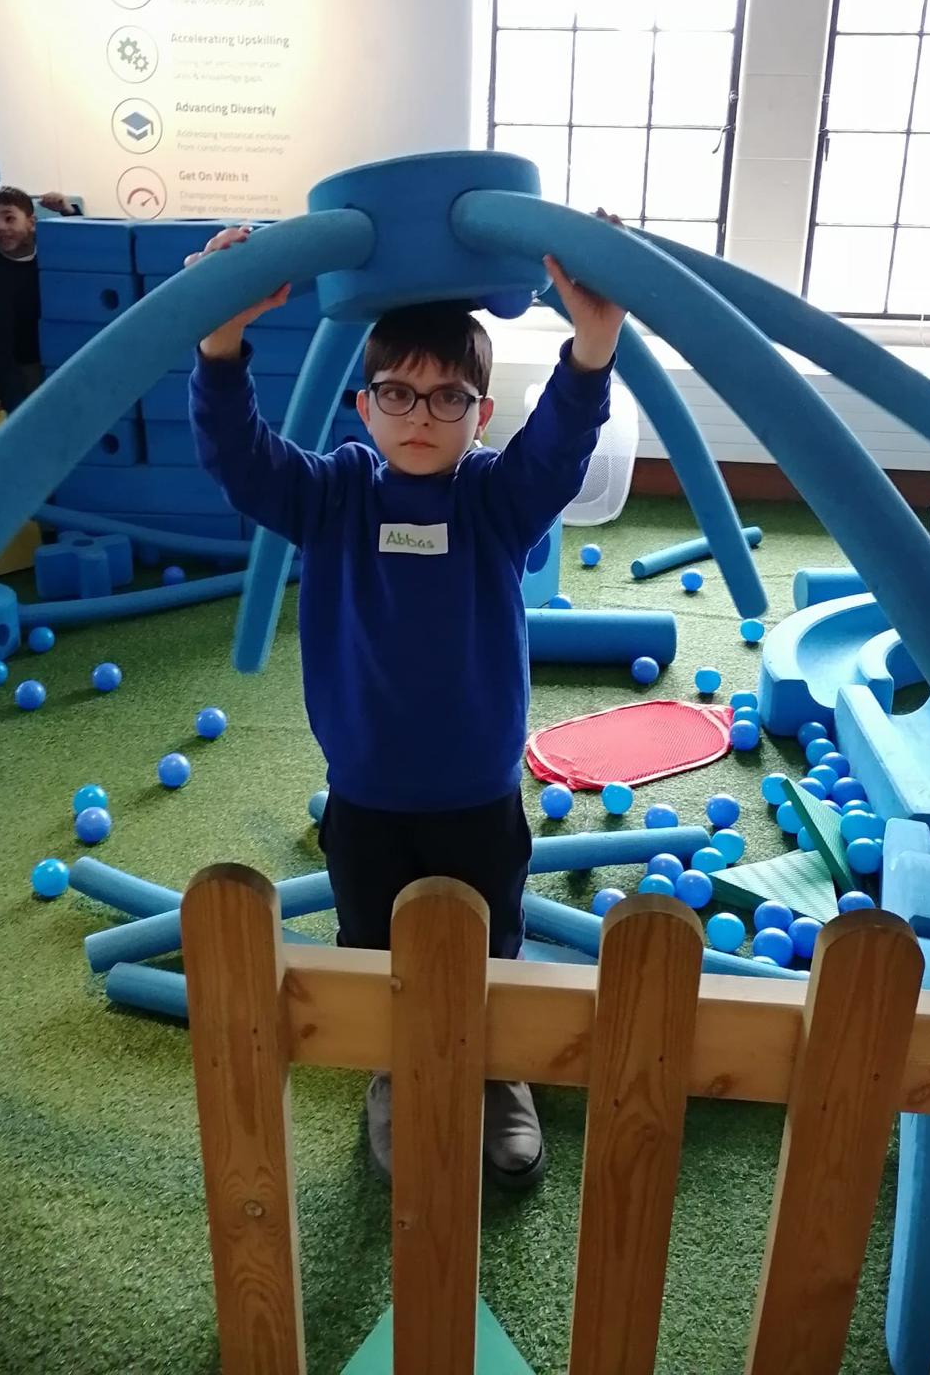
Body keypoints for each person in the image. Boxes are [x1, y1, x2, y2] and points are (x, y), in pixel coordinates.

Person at [187, 219, 626, 1188]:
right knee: (373, 945)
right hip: (368, 797)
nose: (420, 415)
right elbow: (242, 460)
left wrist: (592, 348)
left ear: (479, 413)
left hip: (476, 796)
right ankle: (395, 1072)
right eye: (397, 392)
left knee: (491, 942)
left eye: (447, 397)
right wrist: (220, 342)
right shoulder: (334, 495)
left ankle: (497, 1071)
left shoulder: (495, 500)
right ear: (364, 404)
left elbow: (558, 448)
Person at [0, 186, 80, 416]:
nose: (1, 227)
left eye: (9, 218)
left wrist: (67, 210)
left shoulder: (49, 247)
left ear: (31, 223)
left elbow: (82, 244)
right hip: (27, 361)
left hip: (66, 352)